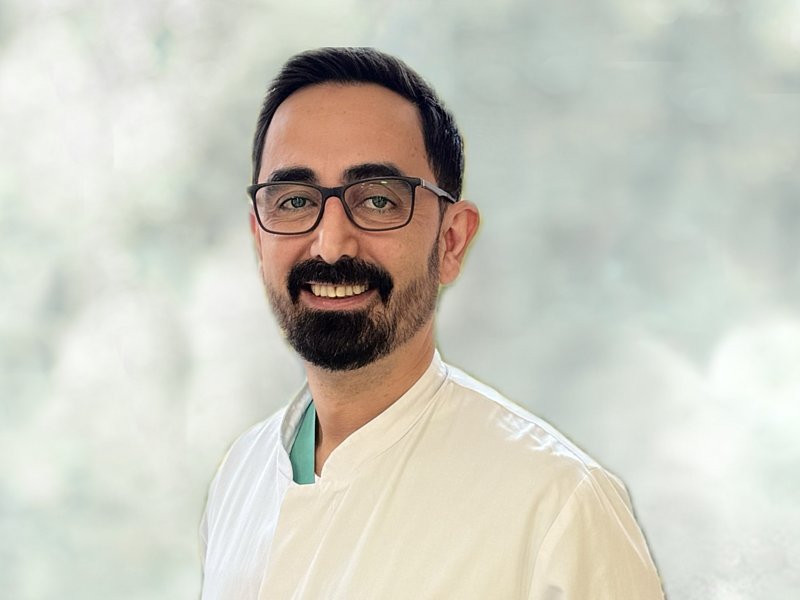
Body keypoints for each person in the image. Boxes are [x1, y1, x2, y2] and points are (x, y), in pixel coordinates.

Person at [200, 47, 664, 599]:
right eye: (295, 201)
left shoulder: (557, 507)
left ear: (451, 240)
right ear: (259, 238)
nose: (330, 244)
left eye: (377, 201)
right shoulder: (242, 475)